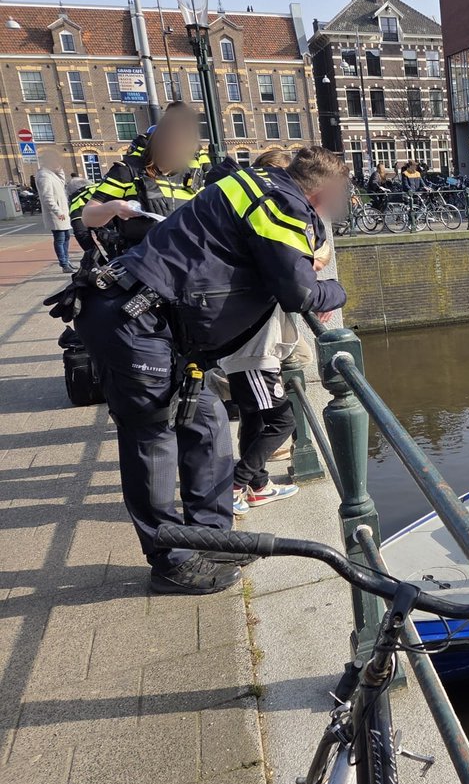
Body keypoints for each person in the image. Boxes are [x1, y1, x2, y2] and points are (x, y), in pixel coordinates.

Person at [59, 147, 349, 595]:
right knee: (152, 440)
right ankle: (170, 562)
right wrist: (337, 290)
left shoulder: (254, 182)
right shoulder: (283, 203)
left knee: (208, 422)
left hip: (167, 326)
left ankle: (213, 539)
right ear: (324, 193)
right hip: (138, 323)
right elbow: (300, 292)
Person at [221, 148, 303, 514]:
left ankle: (258, 485)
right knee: (282, 419)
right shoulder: (264, 226)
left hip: (249, 343)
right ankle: (237, 484)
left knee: (254, 416)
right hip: (253, 349)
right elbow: (300, 272)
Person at [82, 105, 201, 252]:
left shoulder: (191, 174)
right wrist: (114, 207)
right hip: (141, 262)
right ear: (159, 141)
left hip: (184, 261)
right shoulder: (127, 171)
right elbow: (88, 217)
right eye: (173, 146)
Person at [35, 149, 75, 273]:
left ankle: (66, 261)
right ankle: (64, 264)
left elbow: (62, 183)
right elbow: (47, 197)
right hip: (56, 214)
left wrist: (60, 171)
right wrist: (57, 212)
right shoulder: (43, 176)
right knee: (60, 238)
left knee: (66, 236)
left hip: (62, 211)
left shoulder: (51, 174)